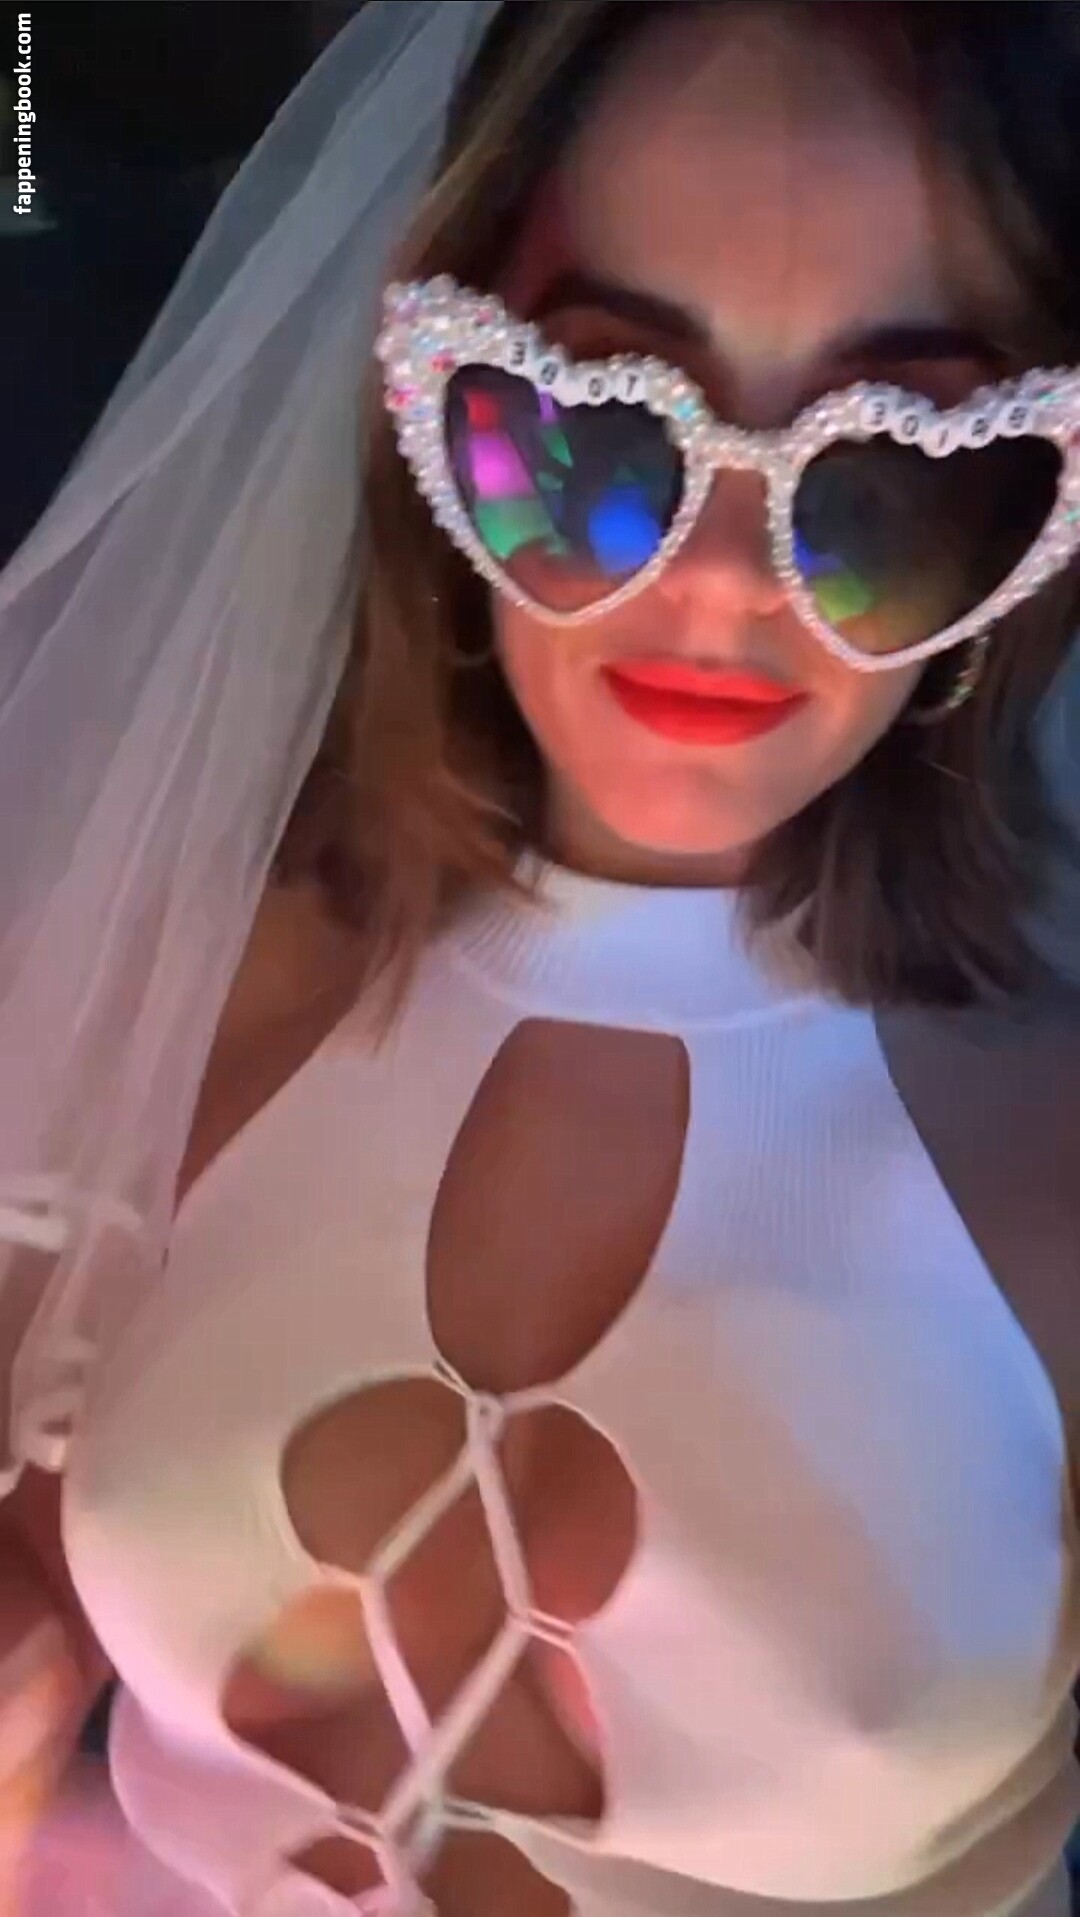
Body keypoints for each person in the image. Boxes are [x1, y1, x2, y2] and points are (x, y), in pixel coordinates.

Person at [0, 2, 1078, 1913]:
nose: (723, 576)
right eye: (594, 426)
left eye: (893, 477)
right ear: (428, 407)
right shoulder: (168, 973)